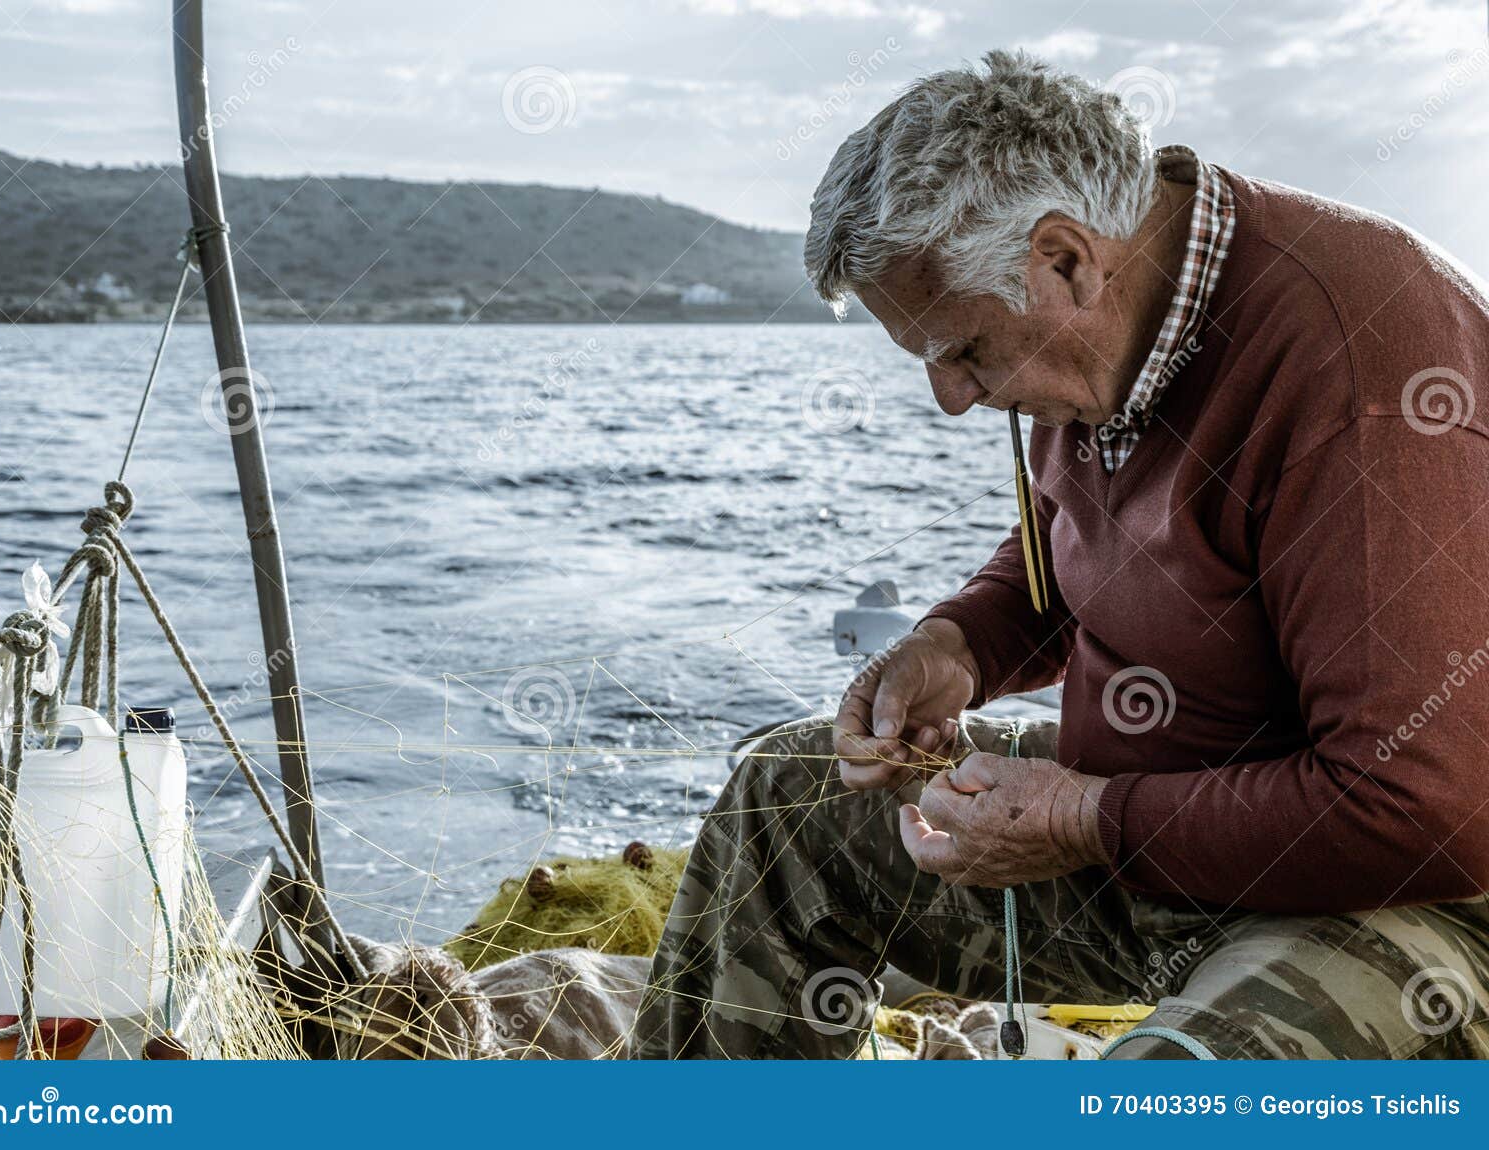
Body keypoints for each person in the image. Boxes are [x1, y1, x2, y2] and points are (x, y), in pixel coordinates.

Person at [632, 50, 1489, 1059]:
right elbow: (1069, 544)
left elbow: (1429, 807)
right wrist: (956, 644)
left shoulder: (1360, 370)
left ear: (1065, 260)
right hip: (1158, 848)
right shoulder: (1108, 329)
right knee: (784, 795)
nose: (949, 398)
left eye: (961, 352)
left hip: (1413, 900)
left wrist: (1086, 818)